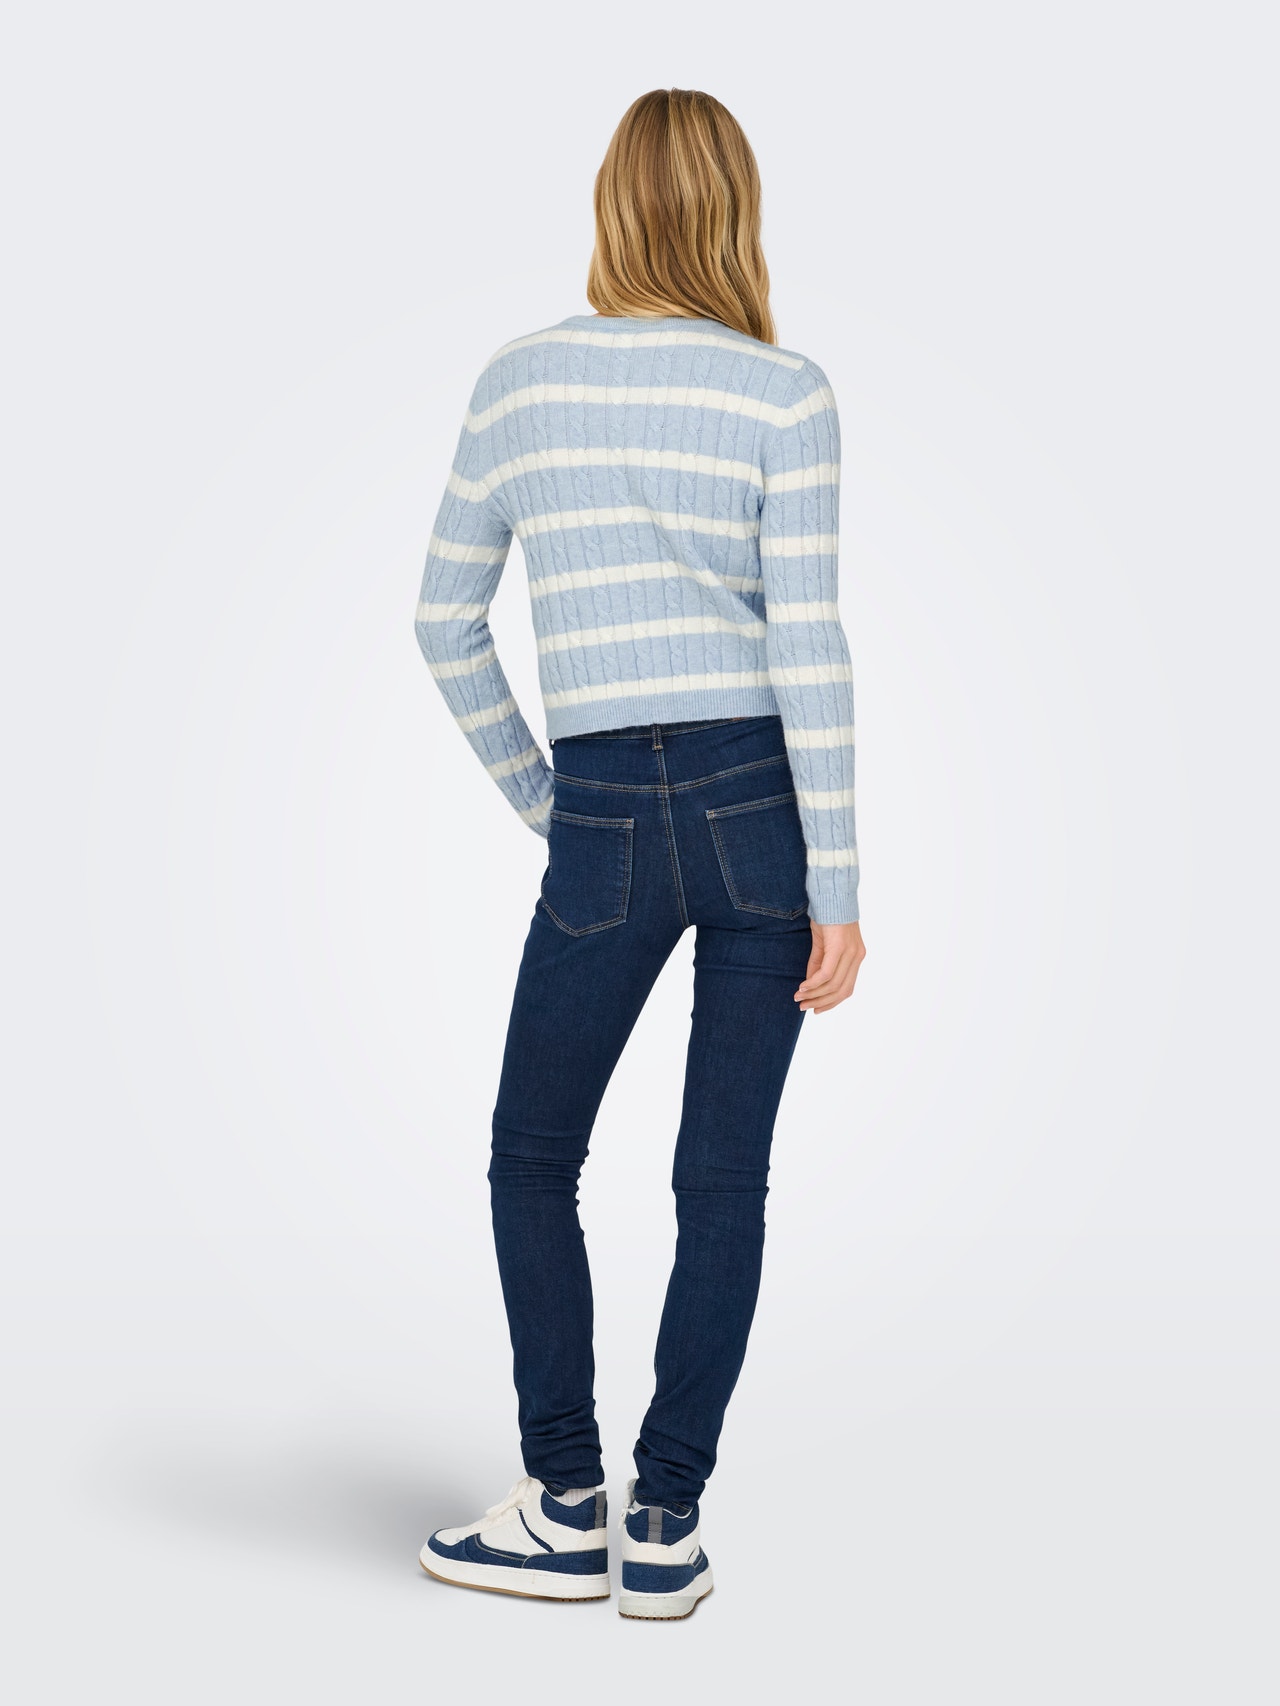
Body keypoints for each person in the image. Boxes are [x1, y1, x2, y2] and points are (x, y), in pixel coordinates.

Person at [413, 87, 866, 1620]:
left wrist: (554, 804)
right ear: (734, 209)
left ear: (611, 203)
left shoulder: (521, 381)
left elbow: (441, 619)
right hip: (760, 804)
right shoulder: (786, 392)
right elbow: (809, 642)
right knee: (720, 1179)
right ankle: (665, 1520)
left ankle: (563, 1501)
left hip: (604, 796)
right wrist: (840, 888)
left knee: (533, 1155)